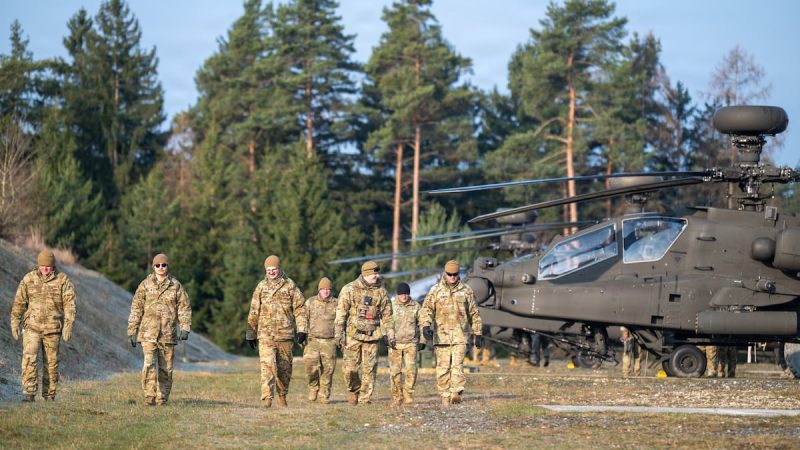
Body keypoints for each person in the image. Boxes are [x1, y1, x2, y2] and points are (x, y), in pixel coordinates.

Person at [10, 250, 76, 402]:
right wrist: (15, 322)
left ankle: (49, 395)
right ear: (38, 265)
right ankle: (29, 393)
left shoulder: (62, 280)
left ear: (53, 266)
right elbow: (19, 302)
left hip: (53, 330)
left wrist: (68, 325)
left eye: (48, 266)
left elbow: (70, 305)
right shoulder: (29, 279)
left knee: (51, 364)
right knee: (29, 360)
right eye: (43, 265)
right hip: (32, 328)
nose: (45, 269)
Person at [127, 253, 191, 406]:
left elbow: (184, 307)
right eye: (158, 265)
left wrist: (185, 327)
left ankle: (162, 398)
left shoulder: (176, 286)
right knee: (148, 365)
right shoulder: (145, 285)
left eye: (164, 265)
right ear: (153, 267)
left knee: (166, 369)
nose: (161, 268)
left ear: (168, 266)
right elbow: (136, 308)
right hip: (148, 333)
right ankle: (149, 396)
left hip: (168, 334)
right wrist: (132, 330)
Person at [246, 255, 307, 408]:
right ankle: (267, 398)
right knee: (267, 366)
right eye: (269, 270)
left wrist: (302, 330)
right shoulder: (261, 287)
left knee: (284, 370)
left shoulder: (290, 285)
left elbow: (300, 308)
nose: (271, 272)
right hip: (265, 335)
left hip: (285, 335)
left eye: (274, 269)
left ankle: (282, 395)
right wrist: (250, 333)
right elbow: (254, 310)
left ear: (279, 268)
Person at [420, 260, 483, 406]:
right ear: (445, 273)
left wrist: (477, 333)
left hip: (460, 336)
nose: (453, 277)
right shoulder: (435, 290)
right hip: (441, 336)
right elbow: (427, 310)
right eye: (450, 274)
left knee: (457, 366)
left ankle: (456, 393)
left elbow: (474, 313)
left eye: (455, 274)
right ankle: (444, 395)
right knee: (443, 368)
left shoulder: (466, 290)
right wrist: (425, 326)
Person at [334, 260, 394, 405]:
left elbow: (388, 316)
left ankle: (364, 399)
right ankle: (353, 389)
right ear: (366, 274)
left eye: (378, 273)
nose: (377, 276)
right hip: (353, 336)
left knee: (369, 370)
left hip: (372, 336)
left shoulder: (381, 292)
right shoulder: (349, 289)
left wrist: (390, 335)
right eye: (374, 274)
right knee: (350, 370)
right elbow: (341, 313)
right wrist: (338, 334)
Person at [303, 277, 337, 404]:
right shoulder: (310, 302)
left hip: (330, 341)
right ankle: (313, 387)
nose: (326, 291)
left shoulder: (337, 303)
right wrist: (302, 334)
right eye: (323, 289)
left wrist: (341, 339)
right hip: (312, 340)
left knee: (328, 370)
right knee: (310, 367)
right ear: (319, 290)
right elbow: (303, 319)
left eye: (328, 289)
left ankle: (324, 394)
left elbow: (341, 321)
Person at [389, 282, 423, 406]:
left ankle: (408, 393)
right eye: (402, 294)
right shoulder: (391, 307)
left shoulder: (416, 306)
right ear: (398, 294)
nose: (404, 296)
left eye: (406, 294)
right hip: (395, 344)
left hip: (411, 343)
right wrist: (387, 337)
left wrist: (423, 340)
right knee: (395, 372)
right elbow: (386, 323)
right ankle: (397, 396)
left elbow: (423, 323)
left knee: (411, 370)